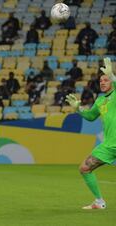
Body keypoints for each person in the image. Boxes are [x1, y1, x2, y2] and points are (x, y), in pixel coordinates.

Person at [65, 57, 115, 210]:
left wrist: (113, 76)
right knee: (85, 168)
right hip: (109, 145)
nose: (103, 82)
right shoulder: (100, 100)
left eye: (106, 80)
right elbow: (91, 117)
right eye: (101, 80)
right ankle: (99, 202)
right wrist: (78, 109)